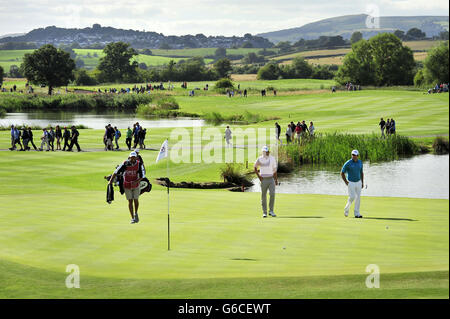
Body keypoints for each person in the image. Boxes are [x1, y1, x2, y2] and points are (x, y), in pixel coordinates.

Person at [108, 151, 145, 224]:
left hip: (136, 185)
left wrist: (137, 181)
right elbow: (116, 172)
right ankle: (132, 218)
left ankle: (136, 213)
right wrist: (110, 181)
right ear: (129, 157)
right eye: (131, 157)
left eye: (134, 157)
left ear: (136, 158)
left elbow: (142, 176)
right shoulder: (125, 164)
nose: (132, 159)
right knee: (130, 201)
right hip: (127, 185)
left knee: (136, 199)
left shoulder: (139, 164)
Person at [254, 146, 278, 218]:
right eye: (264, 152)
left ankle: (271, 211)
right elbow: (255, 167)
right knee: (263, 196)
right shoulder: (260, 159)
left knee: (272, 194)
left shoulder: (272, 158)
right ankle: (264, 212)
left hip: (271, 179)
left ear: (268, 152)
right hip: (263, 179)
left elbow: (274, 170)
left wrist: (276, 180)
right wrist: (259, 177)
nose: (265, 153)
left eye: (266, 151)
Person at [340, 150, 364, 218]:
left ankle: (357, 213)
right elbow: (342, 172)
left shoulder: (360, 162)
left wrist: (362, 182)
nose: (354, 156)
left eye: (355, 155)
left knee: (358, 198)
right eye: (353, 155)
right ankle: (346, 209)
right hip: (351, 182)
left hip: (358, 182)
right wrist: (346, 182)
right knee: (352, 197)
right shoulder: (348, 163)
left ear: (357, 156)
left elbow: (361, 172)